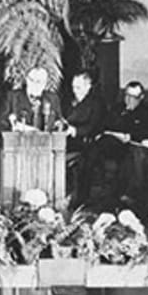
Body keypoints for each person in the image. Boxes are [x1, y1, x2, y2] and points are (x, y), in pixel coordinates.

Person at [62, 72, 106, 204]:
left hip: (88, 143)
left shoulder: (96, 103)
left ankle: (79, 200)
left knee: (83, 163)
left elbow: (94, 126)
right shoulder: (69, 101)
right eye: (73, 87)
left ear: (88, 86)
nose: (75, 91)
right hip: (68, 141)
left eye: (78, 88)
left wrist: (74, 130)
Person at [4, 67, 63, 132]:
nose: (34, 84)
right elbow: (1, 122)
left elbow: (59, 122)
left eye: (39, 81)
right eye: (31, 80)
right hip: (20, 140)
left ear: (45, 83)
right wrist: (13, 127)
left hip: (46, 141)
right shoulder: (13, 96)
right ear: (26, 79)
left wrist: (61, 126)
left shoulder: (53, 99)